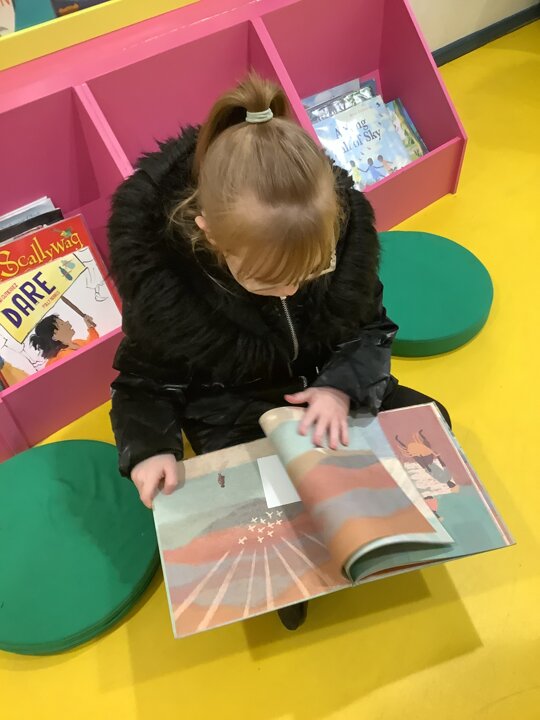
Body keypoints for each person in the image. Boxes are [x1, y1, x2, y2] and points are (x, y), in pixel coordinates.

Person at [108, 73, 451, 631]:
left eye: (312, 271)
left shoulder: (342, 243)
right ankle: (298, 562)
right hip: (234, 409)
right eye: (269, 281)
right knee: (263, 525)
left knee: (429, 427)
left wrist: (339, 389)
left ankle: (372, 528)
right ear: (209, 233)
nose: (291, 290)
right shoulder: (168, 291)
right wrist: (149, 449)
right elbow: (142, 383)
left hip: (329, 387)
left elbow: (370, 328)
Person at [30, 313, 98, 364]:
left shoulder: (76, 342)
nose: (67, 323)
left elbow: (92, 345)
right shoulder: (63, 358)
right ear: (54, 337)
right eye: (62, 324)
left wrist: (90, 327)